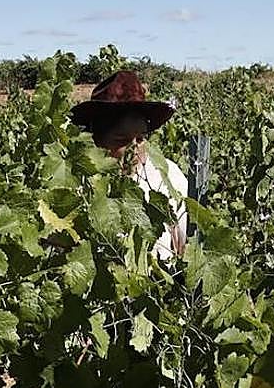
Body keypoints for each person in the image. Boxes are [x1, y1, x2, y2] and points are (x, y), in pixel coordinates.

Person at [71, 71, 188, 260]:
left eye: (140, 139)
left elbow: (182, 249)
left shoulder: (168, 177)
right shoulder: (78, 186)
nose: (134, 149)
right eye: (122, 140)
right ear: (97, 141)